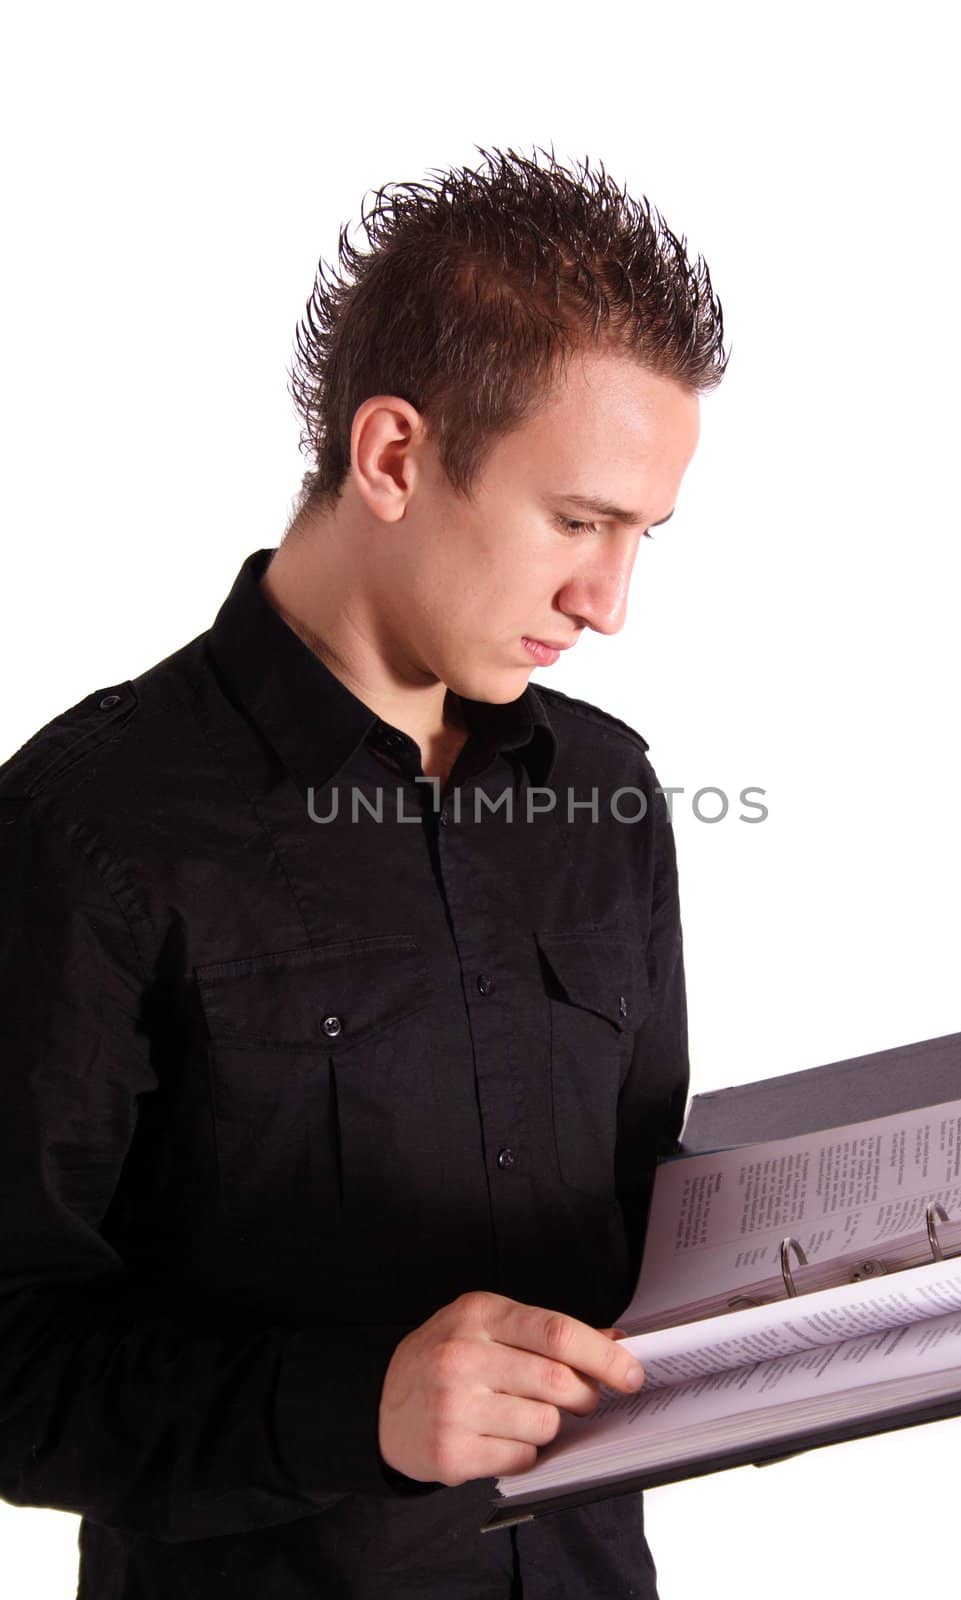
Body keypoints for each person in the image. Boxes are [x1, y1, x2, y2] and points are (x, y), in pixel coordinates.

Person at [0, 145, 726, 1598]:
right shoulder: (91, 829)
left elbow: (642, 1219)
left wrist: (850, 1266)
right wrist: (363, 1409)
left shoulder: (607, 796)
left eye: (641, 538)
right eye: (578, 522)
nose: (611, 603)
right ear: (394, 456)